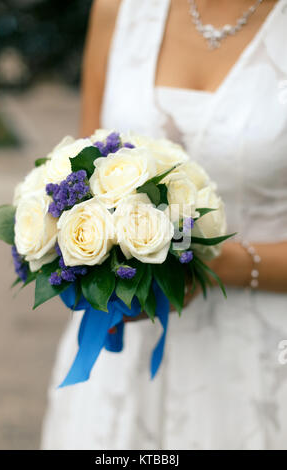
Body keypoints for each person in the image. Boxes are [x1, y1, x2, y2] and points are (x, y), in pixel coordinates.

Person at [42, 0, 287, 450]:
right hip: (121, 354)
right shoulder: (117, 9)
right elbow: (79, 170)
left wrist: (218, 263)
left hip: (259, 356)